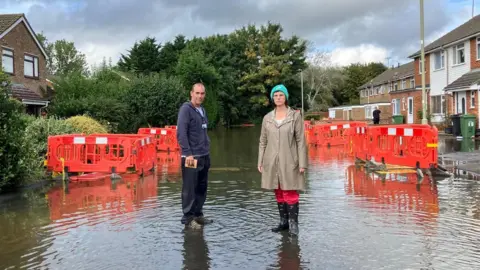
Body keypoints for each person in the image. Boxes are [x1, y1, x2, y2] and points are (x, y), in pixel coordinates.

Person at [257, 84, 307, 236]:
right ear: (273, 98)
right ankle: (283, 222)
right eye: (276, 95)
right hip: (271, 161)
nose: (278, 98)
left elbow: (300, 141)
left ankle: (293, 225)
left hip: (290, 160)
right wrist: (260, 161)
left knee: (290, 191)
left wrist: (302, 163)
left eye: (281, 95)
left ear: (286, 97)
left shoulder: (295, 116)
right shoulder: (267, 118)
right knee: (278, 191)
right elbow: (262, 141)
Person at [176, 82, 213, 230]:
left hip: (204, 155)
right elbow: (181, 133)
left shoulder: (202, 110)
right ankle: (188, 218)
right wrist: (188, 153)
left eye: (202, 93)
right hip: (191, 157)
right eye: (197, 93)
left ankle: (198, 214)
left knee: (201, 187)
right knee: (190, 188)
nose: (200, 96)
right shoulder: (186, 109)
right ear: (191, 93)